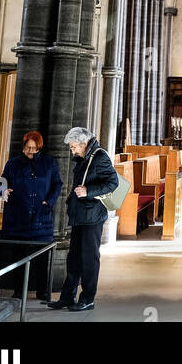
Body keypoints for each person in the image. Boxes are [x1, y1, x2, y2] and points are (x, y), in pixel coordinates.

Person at [46, 127, 118, 313]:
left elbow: (112, 183)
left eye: (73, 147)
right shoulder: (85, 157)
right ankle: (66, 297)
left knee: (89, 260)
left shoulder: (100, 157)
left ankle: (87, 299)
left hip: (92, 217)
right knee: (74, 259)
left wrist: (88, 191)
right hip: (80, 215)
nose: (72, 151)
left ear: (83, 143)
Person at [0, 131, 61, 299]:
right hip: (19, 218)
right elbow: (1, 181)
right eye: (28, 148)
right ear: (23, 146)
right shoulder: (13, 163)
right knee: (19, 257)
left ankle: (42, 292)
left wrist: (48, 202)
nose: (31, 151)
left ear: (39, 148)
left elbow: (57, 184)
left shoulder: (49, 163)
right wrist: (3, 190)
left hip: (41, 218)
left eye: (34, 148)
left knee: (42, 258)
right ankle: (18, 290)